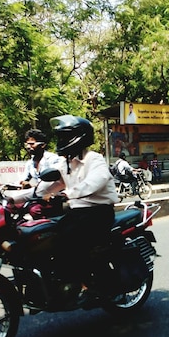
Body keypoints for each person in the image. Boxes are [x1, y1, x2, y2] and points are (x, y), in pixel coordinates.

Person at [43, 115, 119, 290]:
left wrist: (69, 193)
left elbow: (97, 180)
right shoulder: (65, 162)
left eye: (64, 137)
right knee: (49, 235)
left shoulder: (94, 158)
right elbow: (55, 184)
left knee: (70, 240)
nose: (61, 140)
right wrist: (15, 196)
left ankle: (84, 284)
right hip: (77, 213)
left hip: (99, 212)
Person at [4, 128, 60, 217]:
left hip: (52, 196)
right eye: (27, 144)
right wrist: (11, 185)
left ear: (43, 145)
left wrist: (32, 186)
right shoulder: (30, 163)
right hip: (36, 195)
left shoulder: (53, 159)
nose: (28, 147)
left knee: (35, 210)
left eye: (31, 144)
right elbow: (22, 180)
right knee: (9, 205)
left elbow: (56, 181)